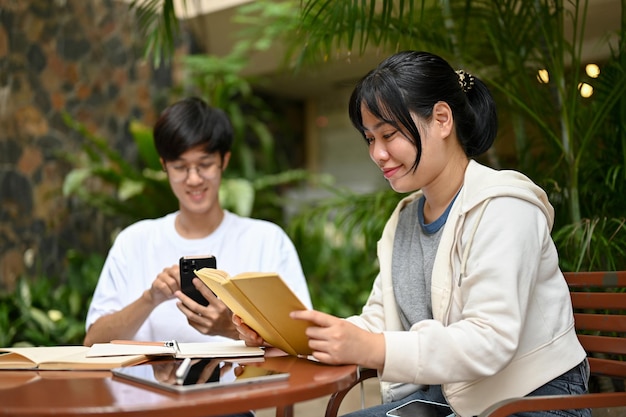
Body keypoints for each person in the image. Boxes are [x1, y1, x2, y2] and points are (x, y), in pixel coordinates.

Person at [233, 51, 590, 417]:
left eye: (388, 134)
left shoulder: (504, 206)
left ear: (441, 119)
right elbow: (378, 324)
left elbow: (490, 339)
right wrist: (295, 340)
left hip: (533, 401)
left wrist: (372, 348)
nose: (378, 153)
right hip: (450, 402)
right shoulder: (404, 219)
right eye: (369, 138)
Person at [84, 97, 312, 348]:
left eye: (204, 165)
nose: (193, 179)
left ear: (224, 161)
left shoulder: (266, 240)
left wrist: (230, 328)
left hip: (243, 387)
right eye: (180, 167)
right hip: (152, 388)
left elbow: (300, 339)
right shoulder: (134, 241)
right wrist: (150, 298)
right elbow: (94, 341)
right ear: (164, 166)